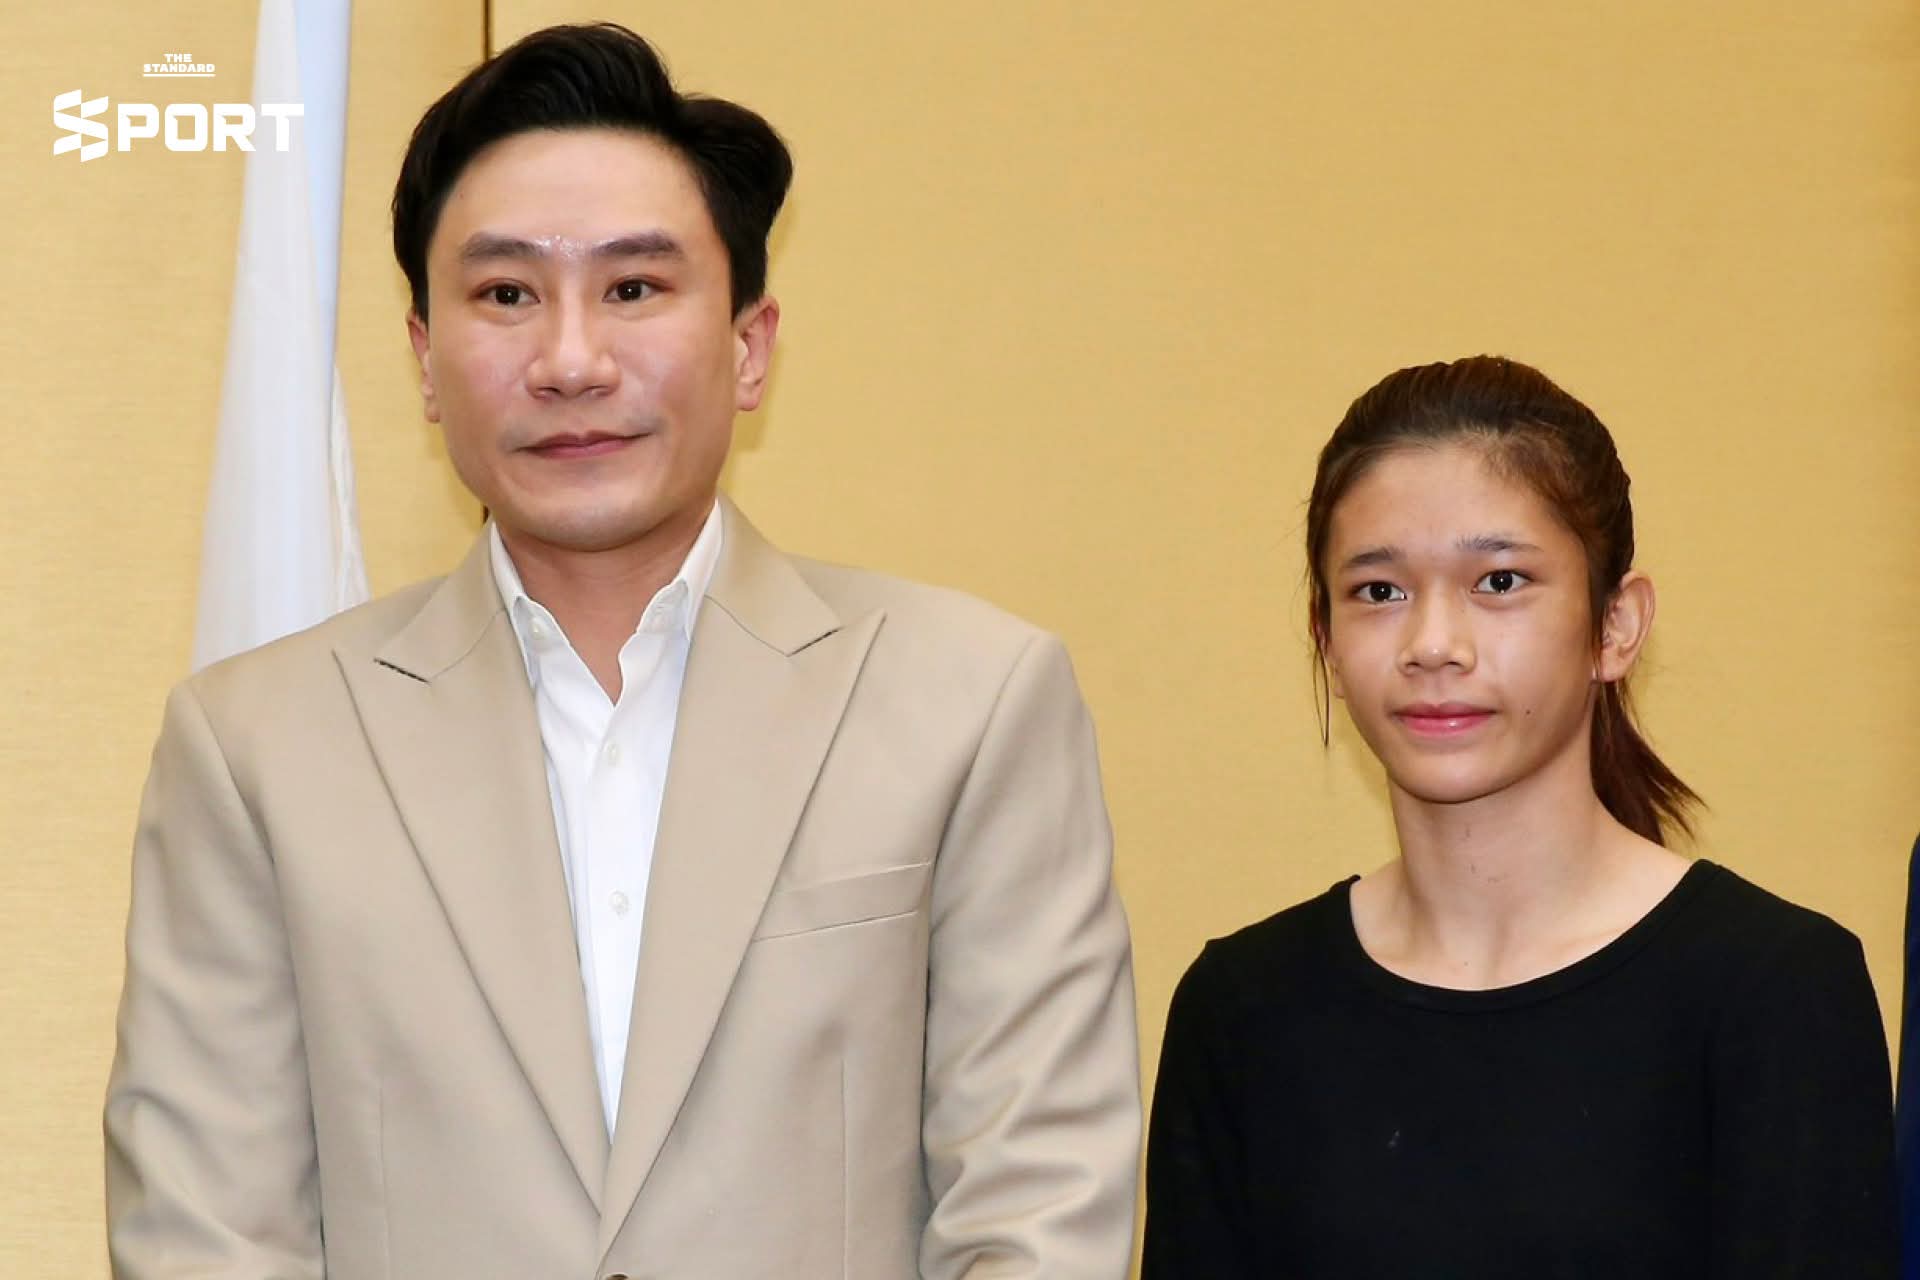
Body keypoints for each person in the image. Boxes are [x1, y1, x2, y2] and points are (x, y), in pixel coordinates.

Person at [105, 24, 1139, 1279]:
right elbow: (210, 1233)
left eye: (634, 288)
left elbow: (1037, 1207)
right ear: (425, 360)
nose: (571, 360)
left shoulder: (971, 702)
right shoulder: (255, 748)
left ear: (750, 346)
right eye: (506, 294)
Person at [1143, 356, 1896, 1277]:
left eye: (1499, 581)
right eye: (1379, 591)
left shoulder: (1775, 989)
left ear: (1616, 626)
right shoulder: (1241, 1009)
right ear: (1325, 638)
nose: (1432, 646)